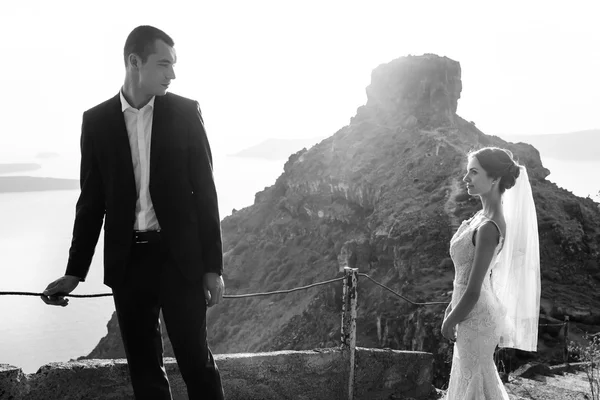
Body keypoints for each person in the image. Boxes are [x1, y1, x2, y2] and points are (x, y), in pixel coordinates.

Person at [41, 25, 226, 400]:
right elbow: (91, 203)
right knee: (145, 372)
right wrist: (75, 272)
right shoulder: (96, 122)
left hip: (180, 261)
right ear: (134, 62)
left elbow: (206, 193)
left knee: (196, 364)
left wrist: (213, 268)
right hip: (129, 265)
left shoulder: (186, 113)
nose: (172, 74)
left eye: (173, 65)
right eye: (164, 64)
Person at [441, 147, 541, 399]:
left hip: (477, 315)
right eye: (467, 172)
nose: (466, 179)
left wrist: (450, 321)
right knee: (469, 378)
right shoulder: (479, 216)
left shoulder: (488, 227)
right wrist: (451, 308)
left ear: (494, 178)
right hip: (467, 309)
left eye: (473, 172)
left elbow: (474, 290)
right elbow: (464, 281)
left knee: (475, 379)